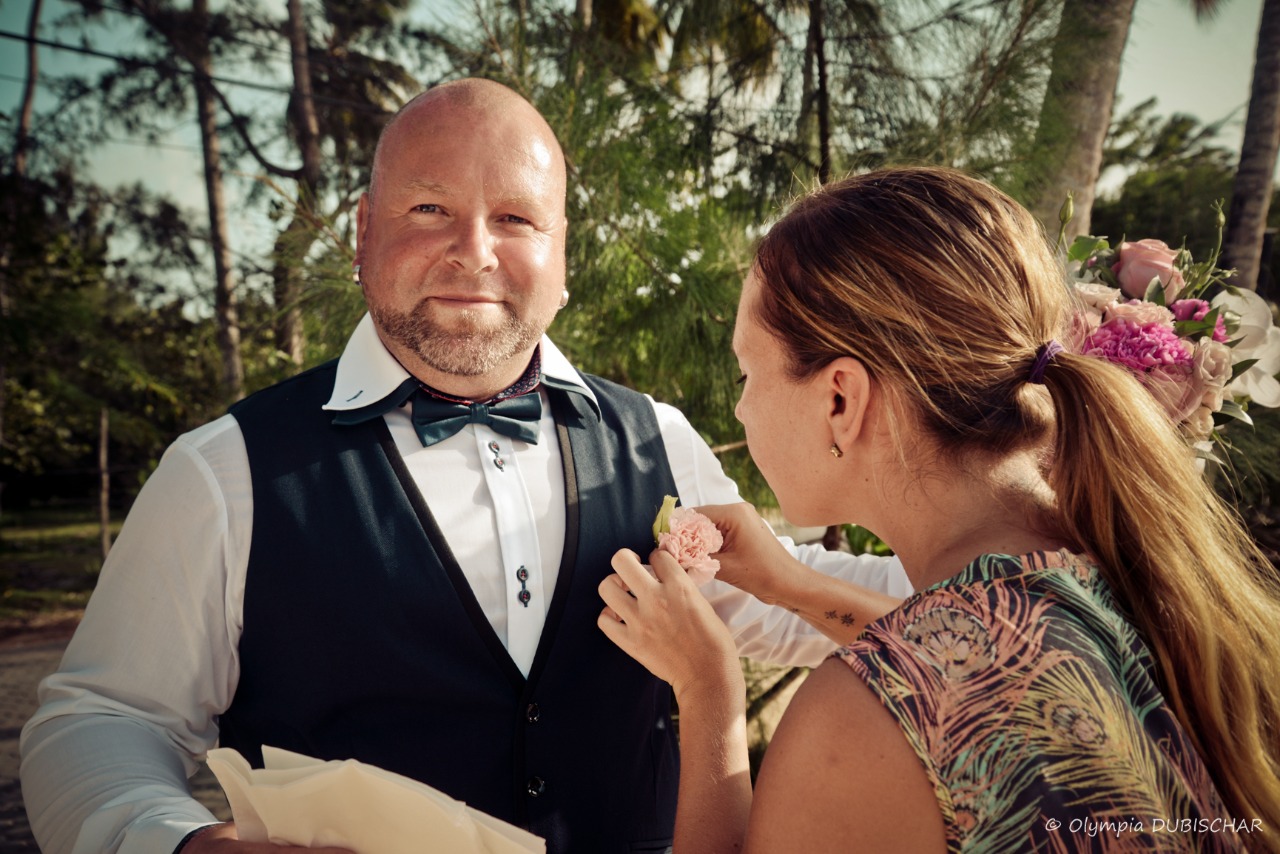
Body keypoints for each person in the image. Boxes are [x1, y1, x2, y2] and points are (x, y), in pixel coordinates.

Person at [19, 80, 911, 854]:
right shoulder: (223, 474)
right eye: (429, 210)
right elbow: (104, 719)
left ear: (562, 255)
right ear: (363, 233)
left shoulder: (658, 439)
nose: (474, 250)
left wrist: (983, 576)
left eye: (516, 218)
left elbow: (786, 601)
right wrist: (176, 843)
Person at [599, 167, 1280, 853]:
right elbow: (974, 657)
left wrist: (709, 692)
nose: (740, 408)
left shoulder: (860, 728)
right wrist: (790, 585)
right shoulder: (1139, 578)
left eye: (747, 373)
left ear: (840, 399)